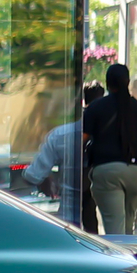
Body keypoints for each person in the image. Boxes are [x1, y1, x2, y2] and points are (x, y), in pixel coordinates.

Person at [83, 63, 137, 234]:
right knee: (128, 226)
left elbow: (81, 140)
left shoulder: (96, 108)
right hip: (136, 173)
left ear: (107, 83)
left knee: (115, 229)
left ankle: (120, 259)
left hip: (108, 172)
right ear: (127, 82)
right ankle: (130, 258)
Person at [37, 83, 102, 226]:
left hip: (77, 170)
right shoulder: (101, 115)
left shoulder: (81, 117)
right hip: (91, 170)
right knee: (89, 210)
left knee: (73, 209)